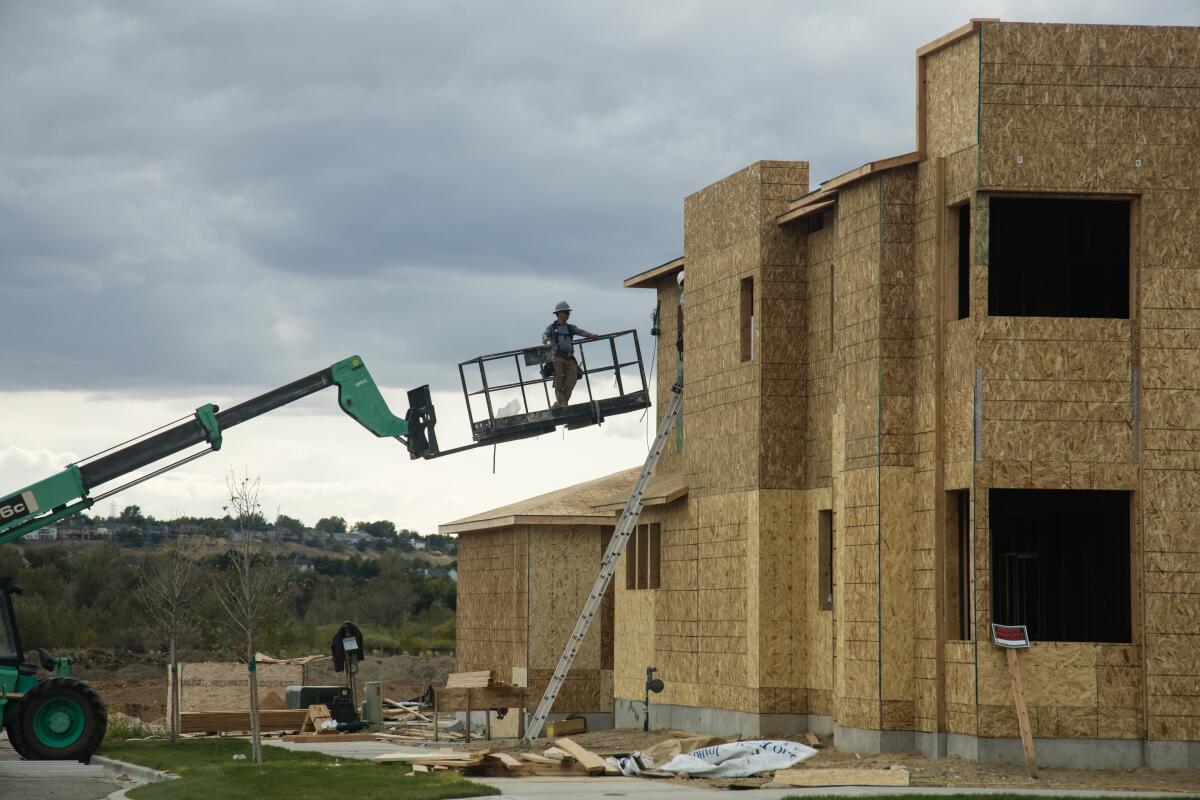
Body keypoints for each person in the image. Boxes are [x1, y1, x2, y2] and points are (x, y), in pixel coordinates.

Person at [542, 301, 598, 408]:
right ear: (558, 314)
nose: (568, 315)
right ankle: (563, 406)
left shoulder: (570, 328)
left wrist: (591, 335)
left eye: (568, 313)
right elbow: (545, 333)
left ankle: (559, 404)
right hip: (557, 357)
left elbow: (581, 332)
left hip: (569, 357)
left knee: (571, 381)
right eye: (566, 312)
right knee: (559, 382)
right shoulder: (552, 328)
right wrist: (545, 338)